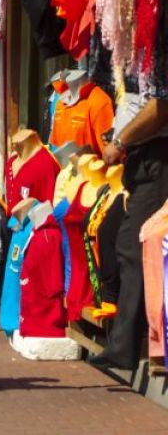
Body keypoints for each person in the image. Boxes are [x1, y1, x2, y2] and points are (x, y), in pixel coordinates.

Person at [88, 93, 168, 370]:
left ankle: (127, 346)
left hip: (155, 156)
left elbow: (160, 106)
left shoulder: (156, 56)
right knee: (124, 242)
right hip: (140, 158)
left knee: (134, 246)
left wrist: (121, 140)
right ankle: (129, 339)